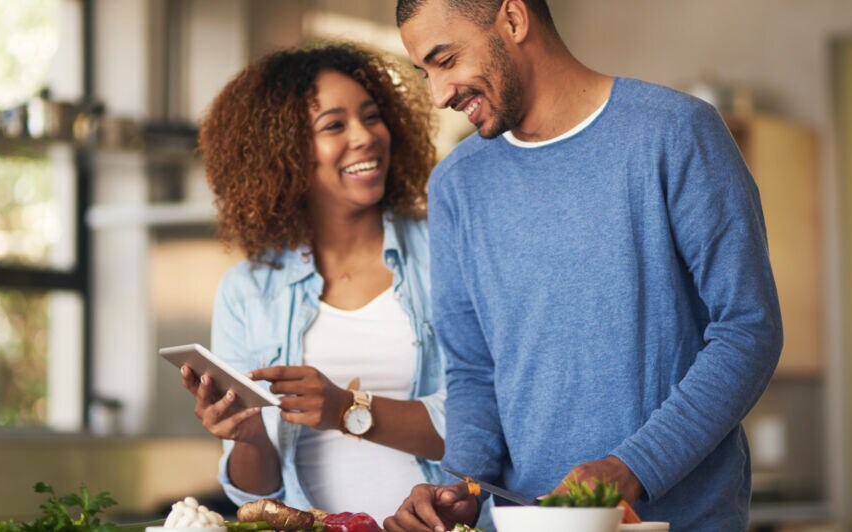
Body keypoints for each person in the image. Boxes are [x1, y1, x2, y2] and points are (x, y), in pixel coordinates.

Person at [385, 1, 783, 531]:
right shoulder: (457, 185)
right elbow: (474, 370)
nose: (438, 94)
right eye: (425, 71)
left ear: (513, 18)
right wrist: (461, 485)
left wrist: (632, 468)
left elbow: (747, 330)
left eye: (447, 58)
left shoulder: (676, 133)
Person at [181, 42, 446, 522]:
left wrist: (346, 409)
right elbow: (254, 494)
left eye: (371, 116)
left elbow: (480, 427)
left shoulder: (445, 253)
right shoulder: (248, 291)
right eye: (334, 126)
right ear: (283, 153)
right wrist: (248, 436)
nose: (366, 136)